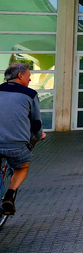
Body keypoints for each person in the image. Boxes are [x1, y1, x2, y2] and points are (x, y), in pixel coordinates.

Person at [0, 63, 46, 215]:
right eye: (29, 75)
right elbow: (36, 123)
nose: (30, 79)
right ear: (20, 76)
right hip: (16, 146)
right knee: (21, 167)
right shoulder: (30, 94)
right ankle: (10, 195)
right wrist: (38, 137)